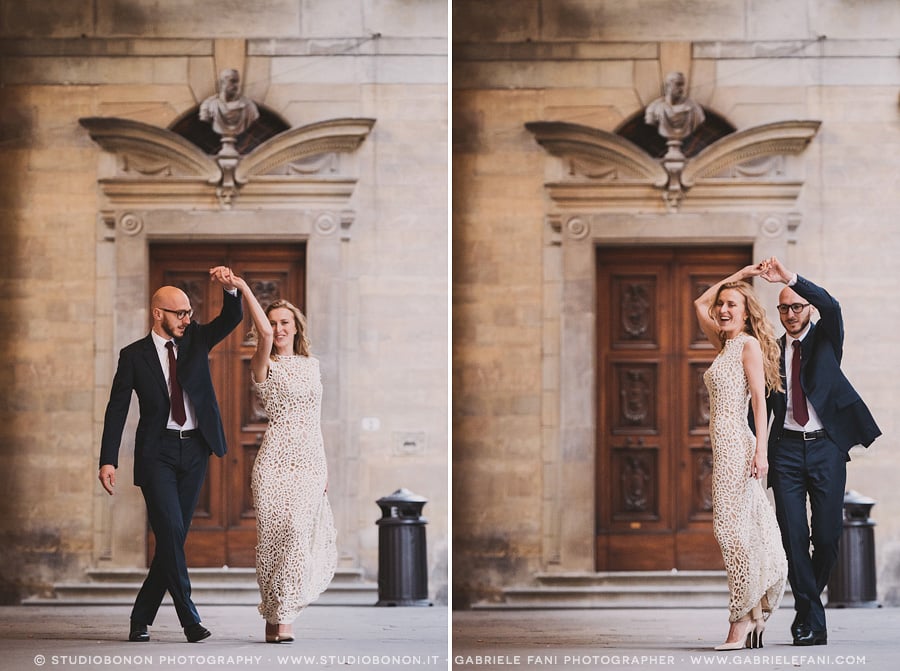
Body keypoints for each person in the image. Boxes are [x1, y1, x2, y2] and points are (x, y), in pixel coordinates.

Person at [98, 267, 243, 643]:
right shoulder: (133, 356)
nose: (186, 319)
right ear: (157, 313)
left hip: (195, 448)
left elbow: (232, 318)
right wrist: (108, 459)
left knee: (172, 538)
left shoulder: (196, 338)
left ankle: (140, 617)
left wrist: (230, 291)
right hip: (156, 452)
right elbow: (117, 409)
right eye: (179, 313)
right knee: (170, 531)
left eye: (189, 312)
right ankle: (189, 620)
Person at [760, 257, 881, 646]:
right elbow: (759, 407)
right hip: (786, 453)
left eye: (797, 306)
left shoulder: (827, 338)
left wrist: (789, 279)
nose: (791, 314)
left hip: (826, 447)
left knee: (827, 536)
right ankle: (811, 617)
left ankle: (806, 609)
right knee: (793, 536)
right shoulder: (770, 352)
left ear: (808, 309)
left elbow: (832, 306)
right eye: (784, 307)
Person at [224, 269, 337, 643]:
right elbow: (266, 338)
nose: (279, 328)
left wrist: (324, 468)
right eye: (273, 323)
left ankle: (284, 619)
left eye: (285, 321)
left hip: (308, 462)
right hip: (274, 462)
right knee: (274, 535)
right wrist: (240, 288)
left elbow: (316, 421)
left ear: (297, 326)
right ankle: (274, 619)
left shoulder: (312, 366)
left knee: (296, 532)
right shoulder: (264, 362)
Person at [694, 262, 788, 651]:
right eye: (722, 305)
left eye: (731, 304)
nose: (722, 310)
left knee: (730, 532)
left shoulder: (747, 345)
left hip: (740, 445)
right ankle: (751, 616)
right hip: (723, 447)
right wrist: (741, 273)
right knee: (738, 531)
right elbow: (698, 301)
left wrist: (761, 452)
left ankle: (742, 618)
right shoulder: (724, 344)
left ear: (746, 312)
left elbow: (761, 403)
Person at [644, 71, 706, 140]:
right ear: (668, 85)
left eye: (683, 85)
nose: (681, 88)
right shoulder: (654, 107)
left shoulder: (694, 107)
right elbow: (650, 121)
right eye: (678, 84)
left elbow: (700, 119)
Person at [199, 68, 260, 137]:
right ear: (222, 83)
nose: (236, 85)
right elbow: (205, 117)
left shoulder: (249, 106)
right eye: (232, 81)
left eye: (237, 82)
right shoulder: (208, 105)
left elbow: (254, 116)